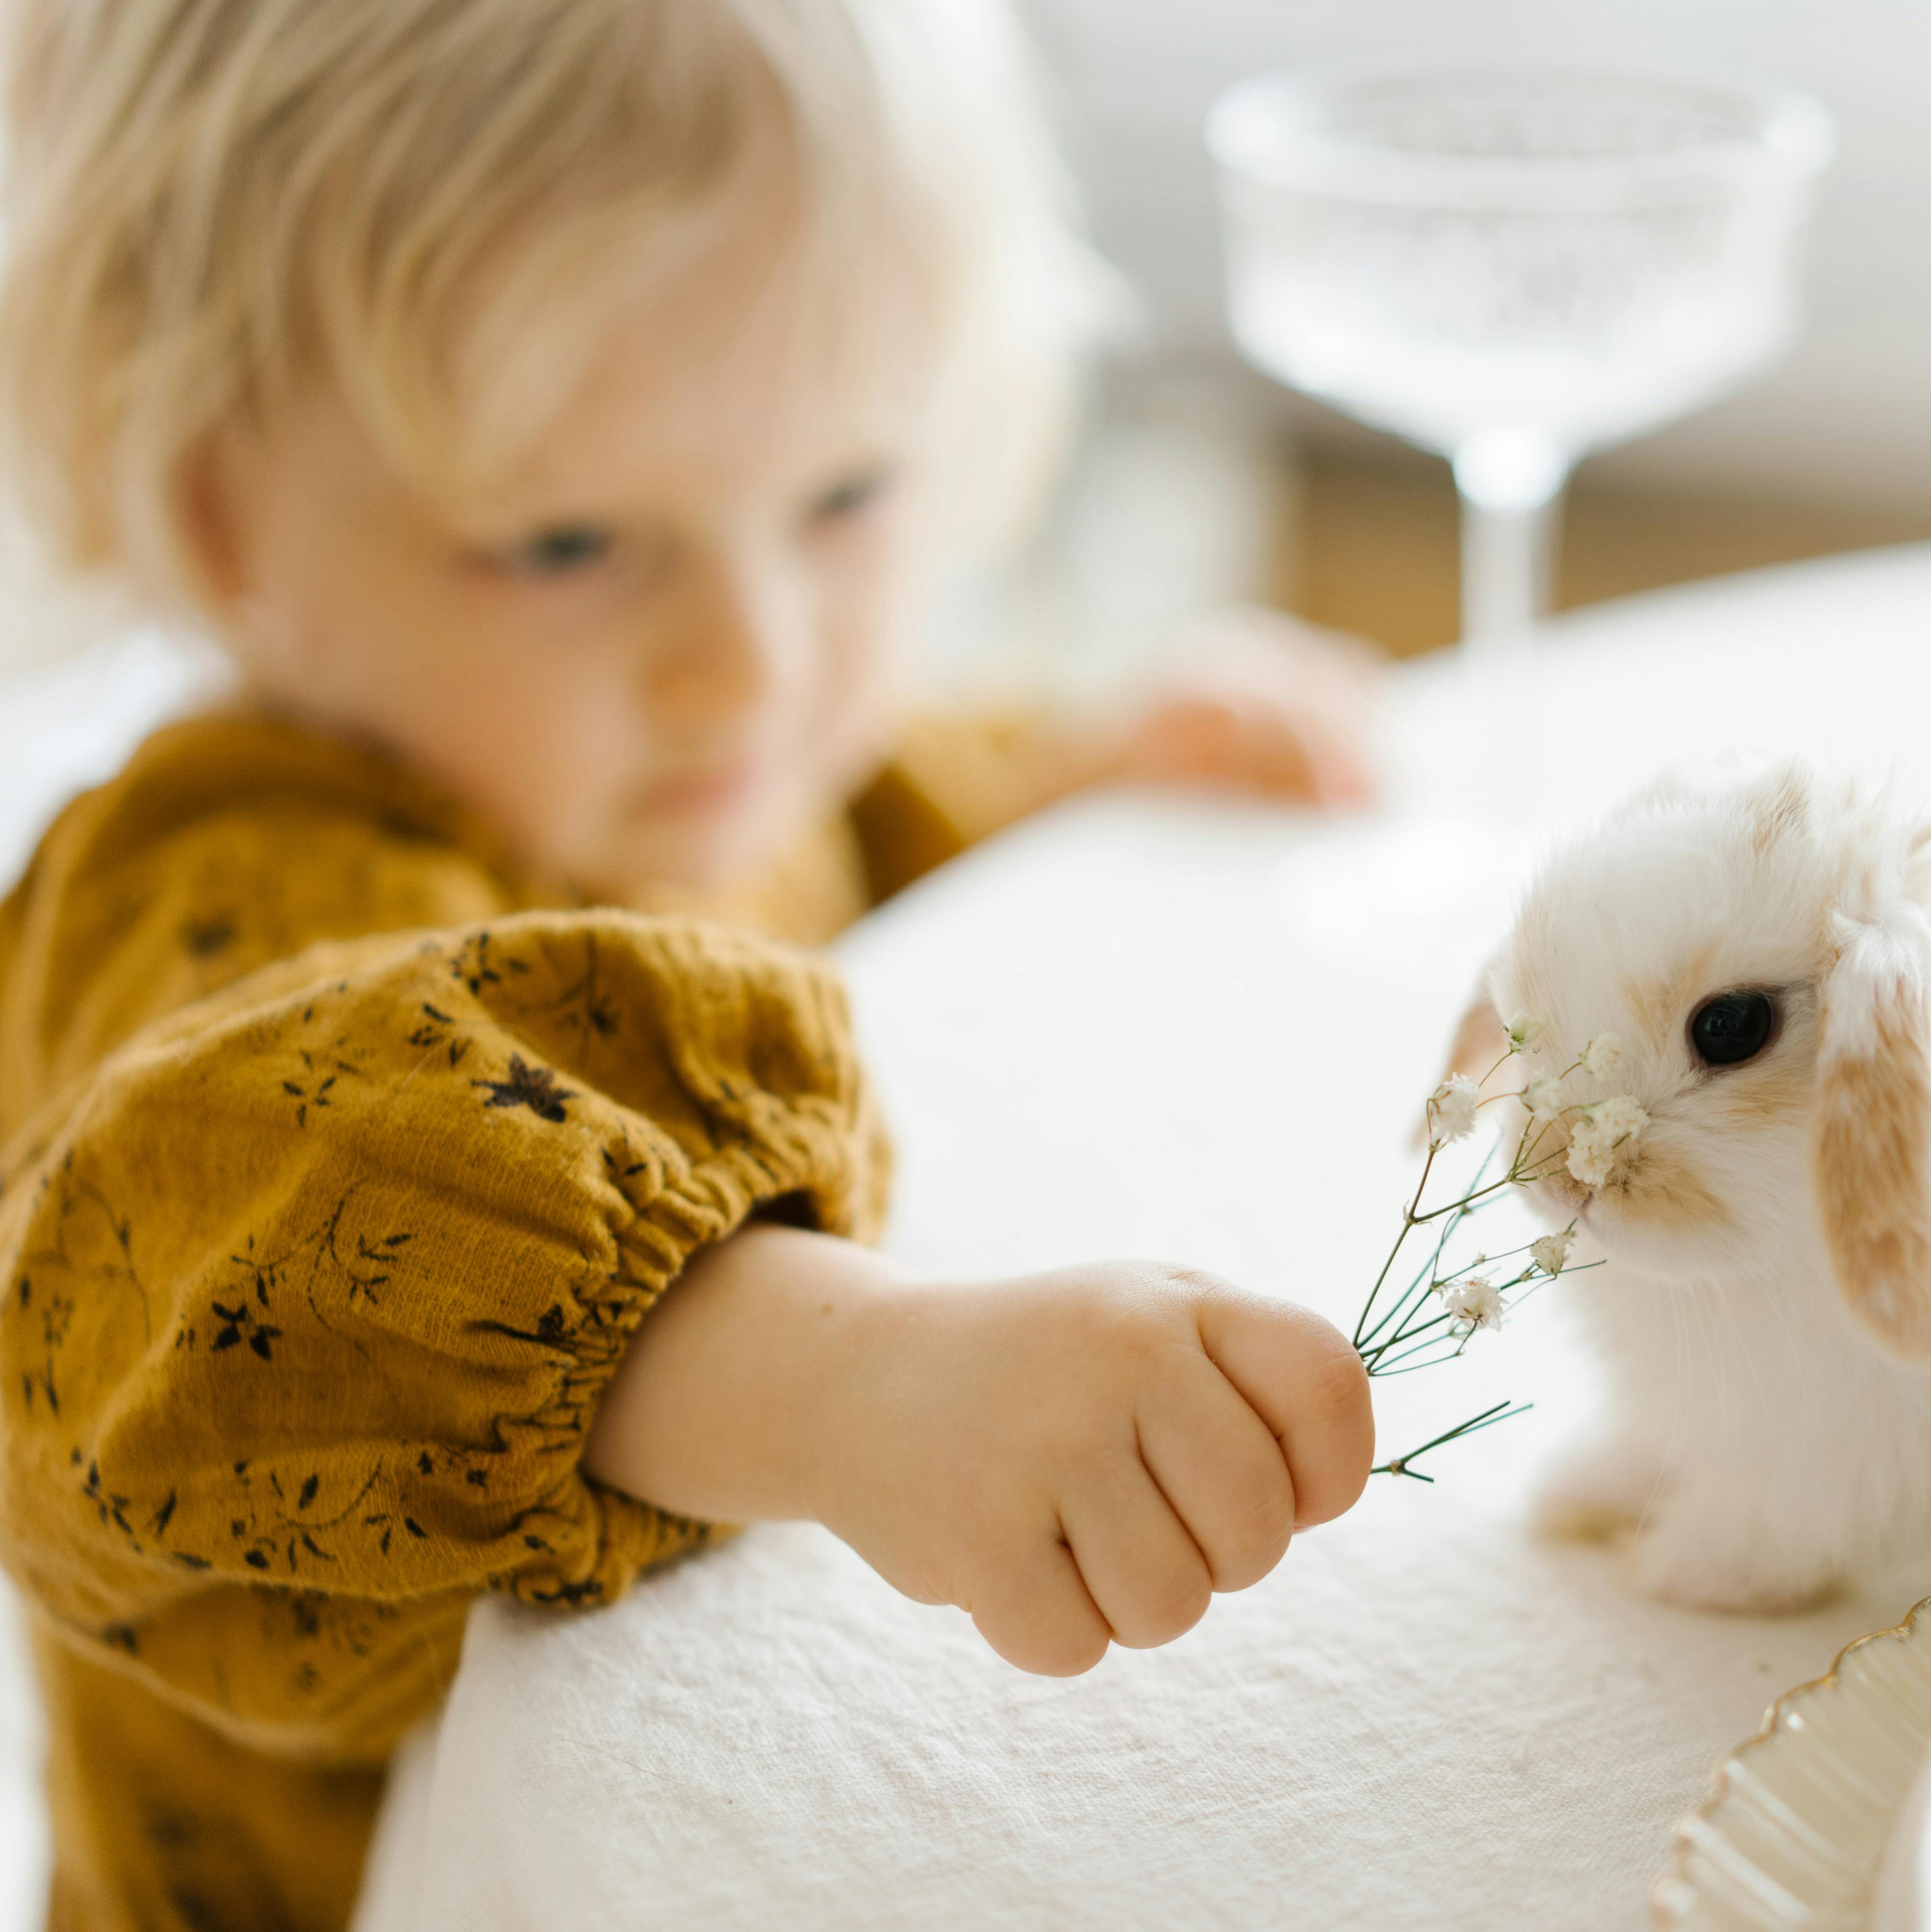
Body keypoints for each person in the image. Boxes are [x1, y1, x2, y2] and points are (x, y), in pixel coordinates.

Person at [0, 5, 1380, 1926]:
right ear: (219, 493)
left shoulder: (682, 772)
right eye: (567, 542)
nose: (747, 663)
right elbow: (222, 1242)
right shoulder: (217, 880)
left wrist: (1086, 770)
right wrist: (861, 1385)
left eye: (841, 499)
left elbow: (863, 825)